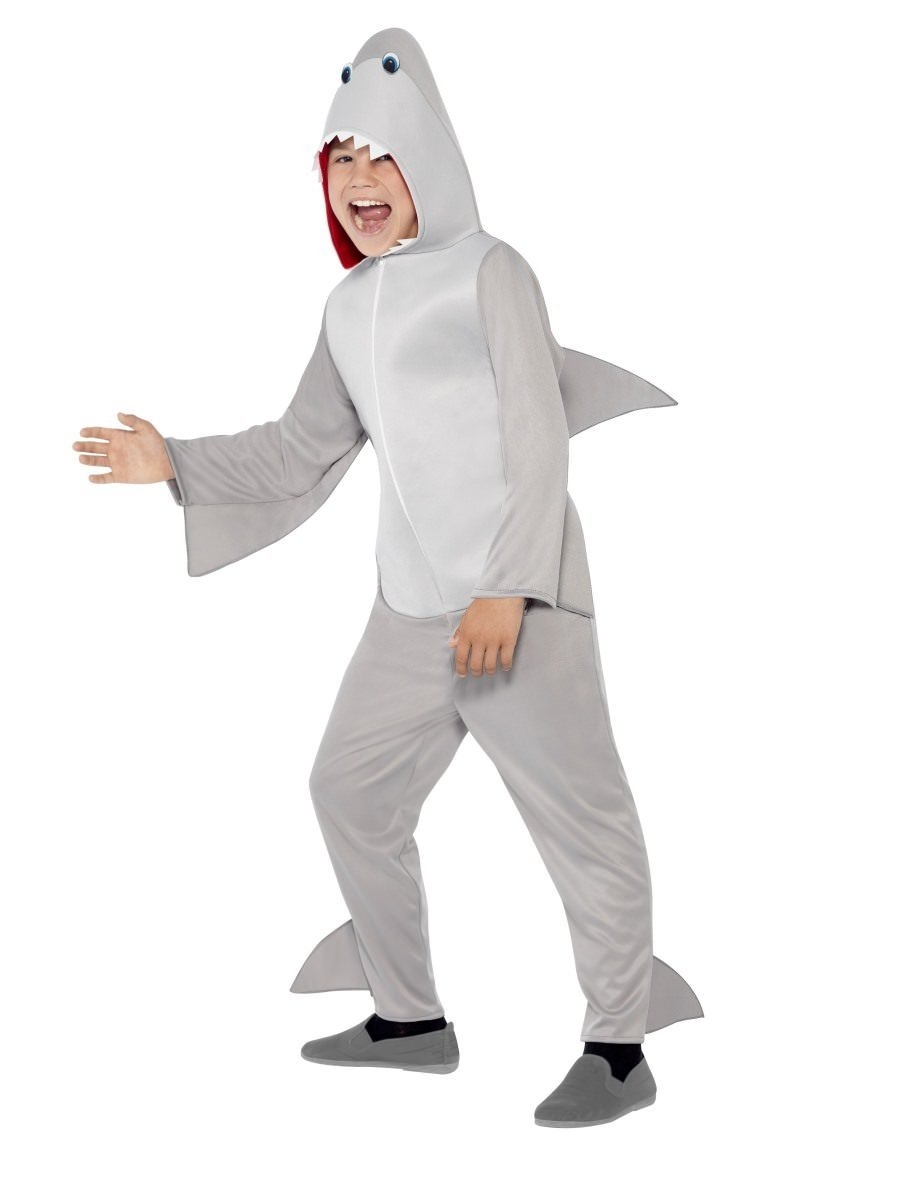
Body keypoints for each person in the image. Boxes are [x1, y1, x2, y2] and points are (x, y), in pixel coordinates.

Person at [72, 27, 703, 1128]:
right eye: (341, 159)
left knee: (581, 817)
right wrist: (172, 460)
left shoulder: (492, 271)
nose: (359, 179)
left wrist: (509, 587)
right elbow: (298, 449)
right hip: (411, 609)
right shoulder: (347, 307)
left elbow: (537, 435)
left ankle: (618, 1045)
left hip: (522, 600)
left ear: (429, 159)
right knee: (349, 789)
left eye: (381, 154)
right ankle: (410, 1020)